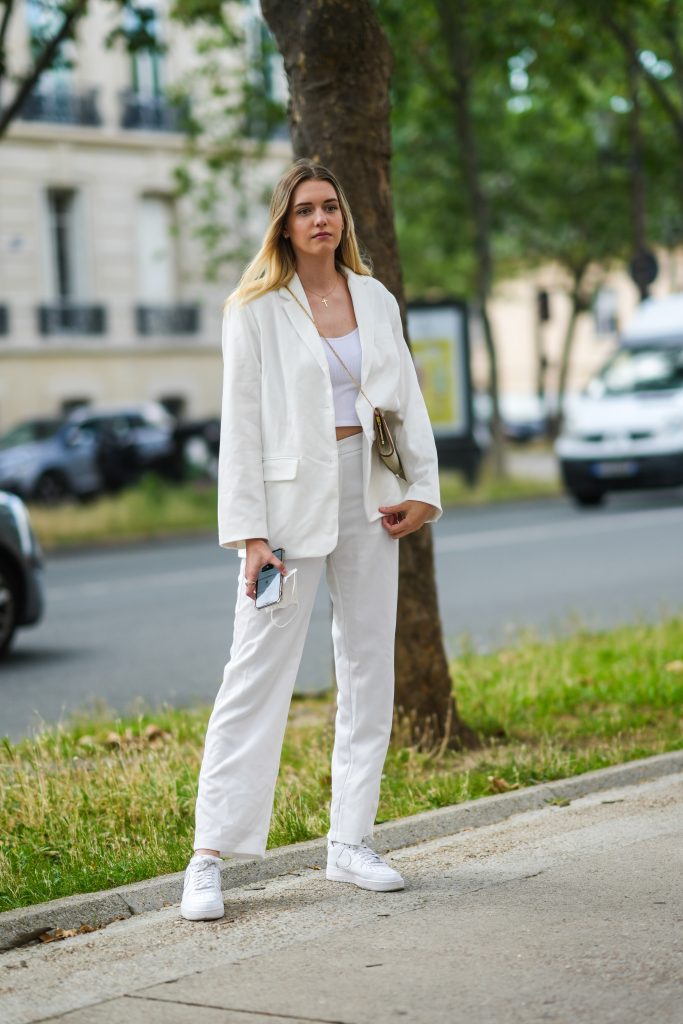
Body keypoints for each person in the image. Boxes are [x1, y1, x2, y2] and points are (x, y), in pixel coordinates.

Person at [180, 159, 442, 921]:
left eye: (330, 207)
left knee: (368, 666)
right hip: (289, 505)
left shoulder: (374, 297)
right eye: (305, 210)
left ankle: (350, 842)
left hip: (370, 491)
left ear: (343, 220)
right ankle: (208, 855)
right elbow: (243, 427)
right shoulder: (255, 308)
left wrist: (420, 489)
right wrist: (250, 536)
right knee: (255, 671)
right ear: (284, 224)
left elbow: (404, 396)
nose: (320, 219)